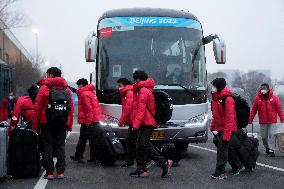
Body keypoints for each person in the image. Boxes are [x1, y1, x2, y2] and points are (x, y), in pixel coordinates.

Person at [33, 67, 74, 180]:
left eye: (48, 74)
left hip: (46, 122)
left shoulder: (44, 88)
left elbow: (38, 107)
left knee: (48, 146)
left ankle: (49, 173)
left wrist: (35, 125)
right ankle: (61, 172)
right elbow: (70, 108)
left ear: (51, 75)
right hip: (61, 122)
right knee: (60, 146)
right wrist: (69, 124)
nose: (46, 76)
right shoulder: (66, 89)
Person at [129, 70, 172, 178]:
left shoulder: (143, 90)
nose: (133, 81)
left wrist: (135, 124)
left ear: (138, 79)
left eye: (134, 79)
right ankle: (141, 169)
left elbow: (141, 110)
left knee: (143, 144)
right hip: (144, 122)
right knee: (140, 146)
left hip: (147, 123)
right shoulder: (143, 89)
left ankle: (164, 163)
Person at [210, 78, 240, 180]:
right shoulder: (215, 98)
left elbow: (230, 119)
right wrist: (212, 126)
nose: (212, 87)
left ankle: (220, 172)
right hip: (221, 128)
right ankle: (238, 166)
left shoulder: (228, 99)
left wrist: (226, 134)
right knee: (227, 148)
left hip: (227, 128)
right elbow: (216, 115)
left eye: (214, 85)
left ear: (219, 86)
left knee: (222, 150)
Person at [70, 78, 103, 163]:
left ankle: (79, 155)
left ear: (81, 85)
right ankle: (94, 157)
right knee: (92, 140)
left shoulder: (84, 94)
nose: (78, 87)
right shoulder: (91, 92)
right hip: (94, 119)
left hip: (88, 120)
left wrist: (88, 121)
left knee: (83, 139)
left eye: (78, 85)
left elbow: (89, 109)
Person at [248, 83, 284, 157]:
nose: (263, 90)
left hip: (272, 121)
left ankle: (271, 150)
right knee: (264, 137)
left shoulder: (274, 98)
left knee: (272, 136)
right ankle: (267, 147)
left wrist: (282, 118)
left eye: (264, 89)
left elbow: (279, 109)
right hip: (263, 121)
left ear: (268, 89)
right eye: (261, 89)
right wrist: (250, 119)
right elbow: (254, 110)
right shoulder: (257, 99)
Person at [116, 78, 135, 168]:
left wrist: (121, 121)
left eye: (119, 86)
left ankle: (129, 162)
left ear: (123, 84)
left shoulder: (129, 92)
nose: (118, 88)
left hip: (134, 121)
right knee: (133, 142)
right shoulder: (129, 91)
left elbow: (128, 109)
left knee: (131, 142)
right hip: (134, 121)